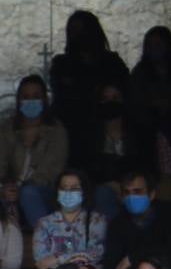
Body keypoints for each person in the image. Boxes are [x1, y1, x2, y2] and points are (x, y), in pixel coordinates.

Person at [0, 74, 69, 228]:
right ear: (18, 101)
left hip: (46, 193)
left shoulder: (57, 131)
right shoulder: (7, 130)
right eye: (26, 97)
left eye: (36, 96)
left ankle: (48, 242)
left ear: (45, 100)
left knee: (28, 194)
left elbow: (50, 172)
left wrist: (20, 190)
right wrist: (0, 188)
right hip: (11, 192)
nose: (31, 101)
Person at [51, 10, 130, 173]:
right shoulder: (62, 64)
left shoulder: (112, 62)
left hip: (108, 133)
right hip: (74, 136)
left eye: (81, 30)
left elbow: (124, 93)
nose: (77, 36)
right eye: (72, 31)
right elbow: (64, 98)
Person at [31, 169, 107, 269]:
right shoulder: (44, 223)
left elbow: (96, 252)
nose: (68, 193)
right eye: (64, 188)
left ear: (84, 192)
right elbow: (41, 261)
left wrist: (58, 258)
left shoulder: (97, 220)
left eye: (74, 189)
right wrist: (75, 262)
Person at [81, 79, 137, 218]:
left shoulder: (138, 132)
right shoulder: (89, 134)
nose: (110, 103)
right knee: (102, 192)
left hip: (134, 187)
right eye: (105, 99)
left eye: (115, 98)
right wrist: (112, 184)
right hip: (101, 190)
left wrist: (126, 188)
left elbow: (144, 164)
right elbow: (87, 169)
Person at [128, 26, 171, 149]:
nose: (154, 48)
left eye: (158, 44)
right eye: (150, 45)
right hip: (148, 130)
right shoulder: (139, 73)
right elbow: (136, 103)